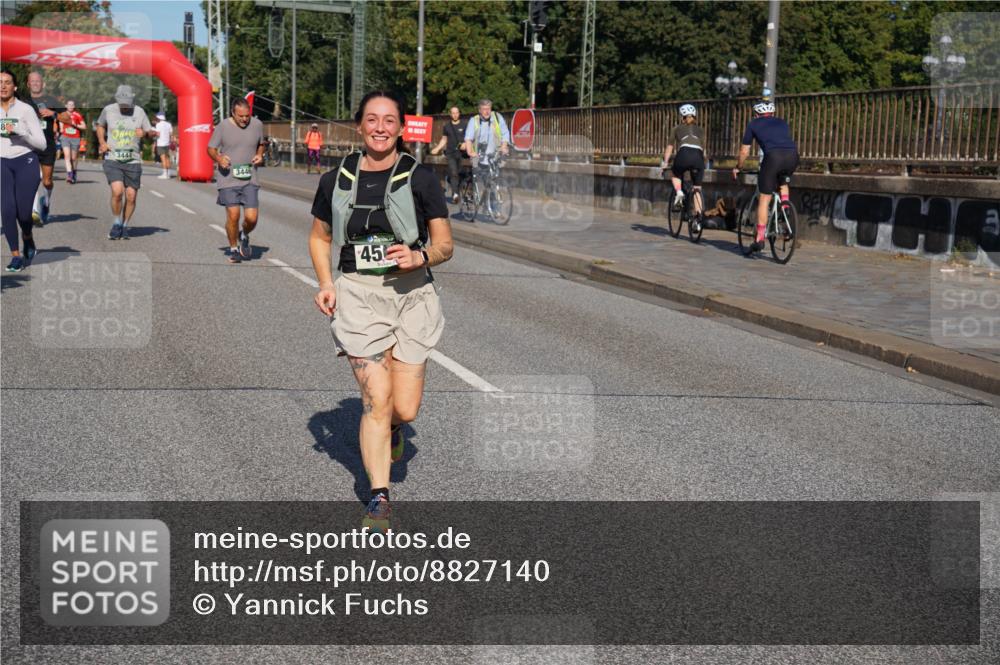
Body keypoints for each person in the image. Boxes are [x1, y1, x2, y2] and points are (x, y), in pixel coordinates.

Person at [308, 90, 453, 532]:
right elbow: (319, 237)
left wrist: (421, 256)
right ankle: (379, 496)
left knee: (404, 409)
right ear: (359, 125)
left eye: (389, 120)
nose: (380, 128)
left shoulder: (421, 179)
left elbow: (445, 244)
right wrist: (326, 283)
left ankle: (393, 430)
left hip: (411, 296)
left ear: (401, 128)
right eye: (372, 119)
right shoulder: (335, 179)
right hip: (358, 295)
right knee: (376, 399)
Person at [733, 100, 799, 253]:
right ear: (773, 113)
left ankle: (760, 238)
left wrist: (738, 167)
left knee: (764, 198)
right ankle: (785, 209)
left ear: (756, 114)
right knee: (782, 181)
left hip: (773, 158)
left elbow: (744, 151)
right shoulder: (782, 122)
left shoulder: (753, 124)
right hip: (793, 156)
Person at [207, 98, 265, 263]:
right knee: (233, 215)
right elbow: (210, 149)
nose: (245, 119)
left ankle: (244, 234)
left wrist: (259, 154)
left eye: (247, 116)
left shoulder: (257, 125)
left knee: (252, 218)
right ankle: (234, 249)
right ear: (233, 113)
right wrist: (219, 158)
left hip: (250, 178)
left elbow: (261, 144)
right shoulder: (223, 126)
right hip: (228, 178)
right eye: (241, 116)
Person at [95, 84, 156, 240]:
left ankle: (124, 225)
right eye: (122, 104)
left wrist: (146, 133)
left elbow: (151, 132)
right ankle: (116, 223)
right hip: (113, 158)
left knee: (131, 196)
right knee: (117, 192)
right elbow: (100, 125)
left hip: (133, 160)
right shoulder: (108, 110)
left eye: (127, 104)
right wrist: (102, 142)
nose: (124, 107)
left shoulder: (140, 112)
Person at [1, 69, 46, 272]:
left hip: (25, 160)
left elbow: (42, 144)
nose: (3, 86)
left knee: (24, 214)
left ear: (15, 87)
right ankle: (15, 256)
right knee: (7, 210)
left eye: (7, 82)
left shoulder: (26, 110)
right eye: (0, 82)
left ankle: (27, 236)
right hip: (2, 162)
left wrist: (22, 132)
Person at [27, 70, 69, 226]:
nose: (35, 83)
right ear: (28, 84)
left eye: (38, 81)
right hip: (29, 146)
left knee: (47, 181)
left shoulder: (52, 100)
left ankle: (45, 203)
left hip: (47, 146)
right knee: (32, 179)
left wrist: (53, 114)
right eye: (32, 81)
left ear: (43, 84)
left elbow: (68, 119)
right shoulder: (23, 101)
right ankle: (34, 211)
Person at [662, 103, 708, 228]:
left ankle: (679, 192)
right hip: (698, 158)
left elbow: (670, 147)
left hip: (683, 154)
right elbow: (703, 150)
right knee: (697, 189)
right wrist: (703, 164)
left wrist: (665, 163)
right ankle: (698, 221)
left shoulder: (676, 128)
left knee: (675, 173)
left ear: (682, 117)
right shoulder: (701, 130)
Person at [429, 105, 465, 204]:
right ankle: (455, 194)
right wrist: (437, 148)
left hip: (462, 154)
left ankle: (452, 182)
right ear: (450, 114)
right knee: (454, 172)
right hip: (451, 153)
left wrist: (466, 145)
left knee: (459, 174)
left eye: (456, 113)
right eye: (453, 113)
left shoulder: (464, 125)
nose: (455, 115)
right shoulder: (447, 126)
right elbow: (444, 139)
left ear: (459, 113)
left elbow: (469, 138)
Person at [464, 98, 509, 168]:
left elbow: (505, 133)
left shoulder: (497, 117)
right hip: (479, 158)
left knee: (498, 174)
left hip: (496, 157)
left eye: (489, 109)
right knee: (479, 173)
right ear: (479, 110)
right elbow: (468, 139)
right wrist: (470, 152)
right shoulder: (474, 120)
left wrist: (504, 146)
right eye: (484, 109)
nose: (487, 111)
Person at [60, 100, 85, 184]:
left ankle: (74, 172)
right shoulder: (63, 114)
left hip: (75, 138)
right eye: (69, 104)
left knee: (73, 158)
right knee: (67, 156)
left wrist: (75, 125)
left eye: (72, 105)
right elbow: (60, 121)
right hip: (65, 137)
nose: (70, 106)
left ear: (74, 106)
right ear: (66, 106)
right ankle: (69, 175)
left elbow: (84, 126)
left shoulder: (77, 115)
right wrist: (61, 128)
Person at [154, 111, 173, 179]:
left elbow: (158, 134)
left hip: (161, 143)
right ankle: (169, 173)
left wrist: (155, 135)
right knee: (167, 158)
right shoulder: (169, 124)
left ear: (159, 117)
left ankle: (165, 174)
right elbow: (170, 134)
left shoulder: (158, 125)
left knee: (163, 158)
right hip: (167, 143)